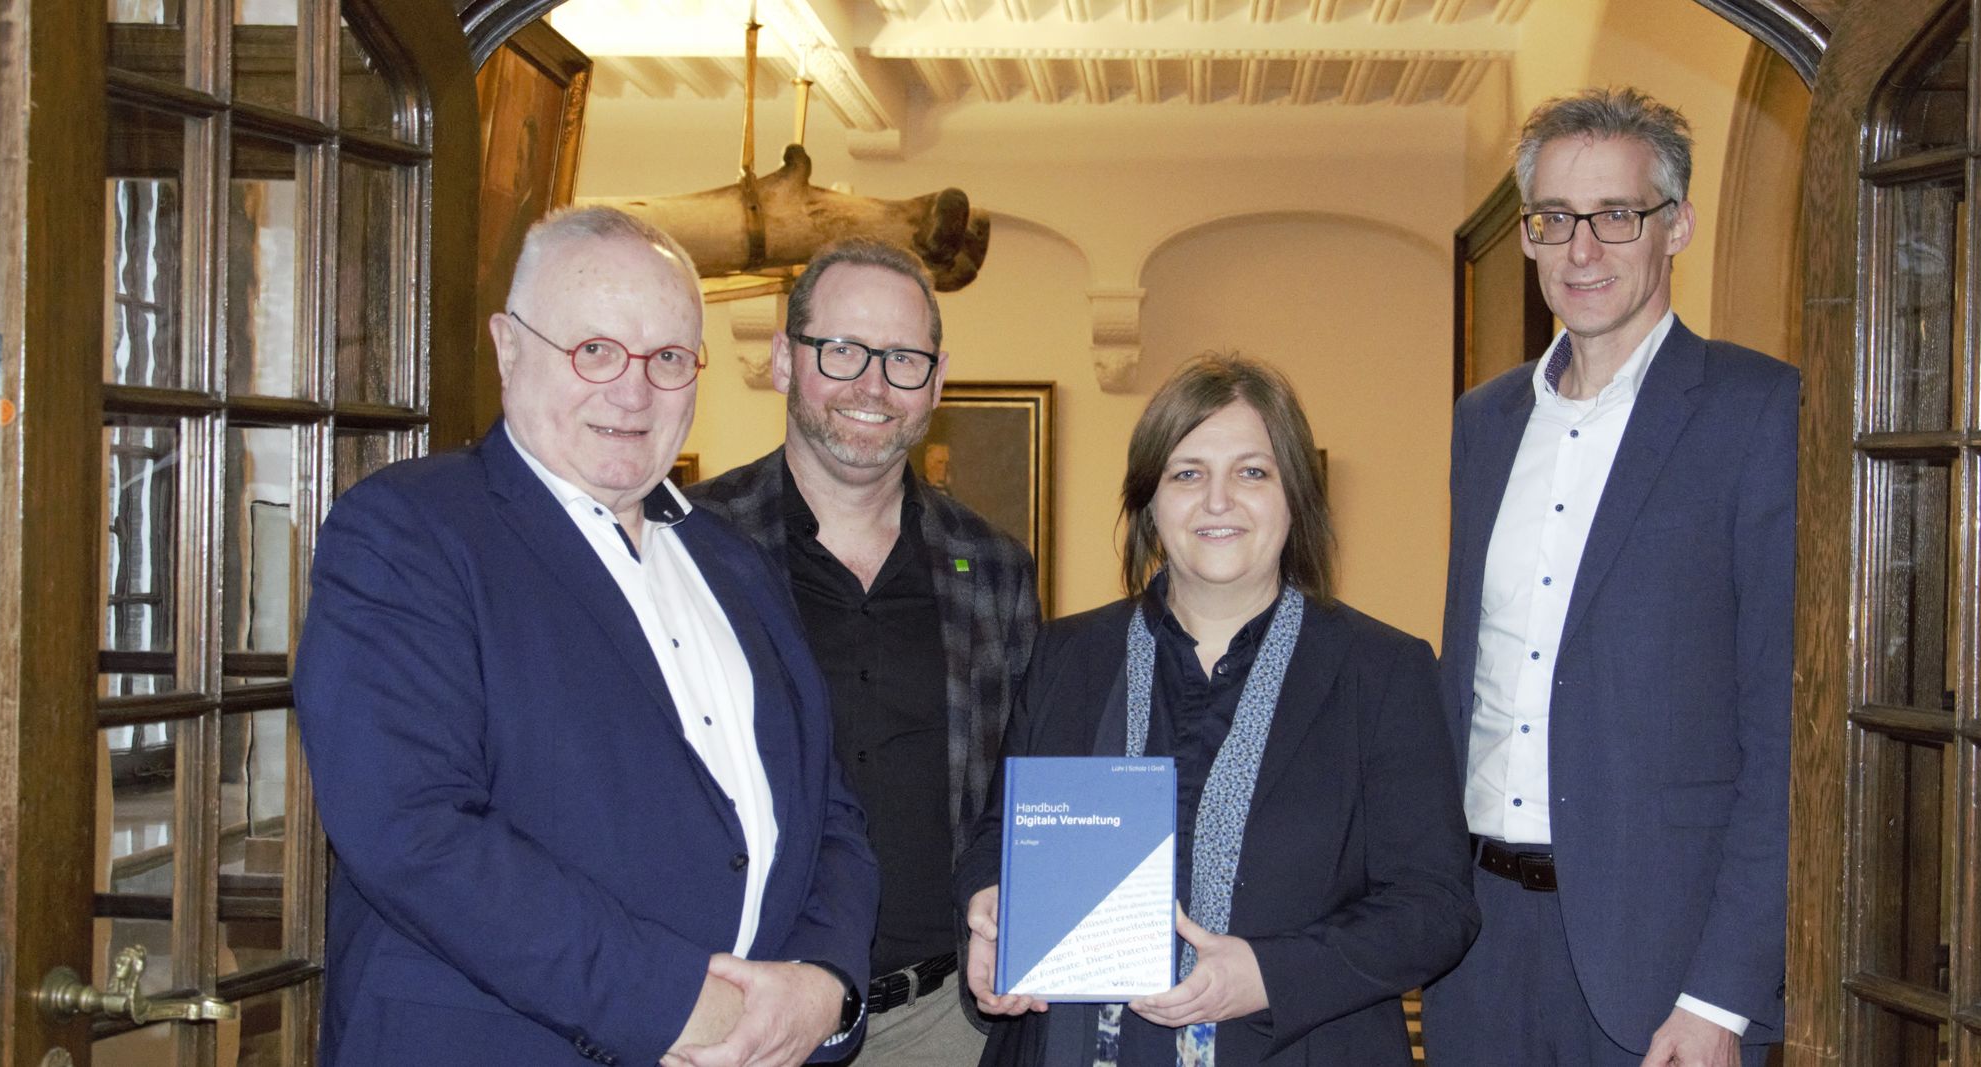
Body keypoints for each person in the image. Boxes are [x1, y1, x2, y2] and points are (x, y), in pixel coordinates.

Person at [294, 206, 879, 1067]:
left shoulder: (733, 559)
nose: (633, 391)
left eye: (669, 359)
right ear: (508, 346)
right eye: (594, 350)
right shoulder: (408, 532)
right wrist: (685, 1005)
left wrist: (824, 981)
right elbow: (414, 831)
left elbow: (828, 810)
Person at [955, 354, 1478, 1066]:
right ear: (1149, 502)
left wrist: (1268, 973)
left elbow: (1436, 906)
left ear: (1296, 494)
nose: (1218, 500)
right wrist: (990, 910)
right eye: (1188, 472)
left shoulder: (1382, 671)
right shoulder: (1068, 654)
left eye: (1252, 472)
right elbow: (999, 833)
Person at [1423, 86, 1796, 1067]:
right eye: (1553, 219)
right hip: (1478, 948)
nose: (1579, 250)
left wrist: (1723, 992)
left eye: (1613, 216)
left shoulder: (1757, 412)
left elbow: (1786, 734)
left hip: (1663, 968)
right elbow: (1471, 674)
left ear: (1675, 224)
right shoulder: (1484, 421)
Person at [688, 239, 1041, 1066]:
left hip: (945, 1024)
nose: (872, 385)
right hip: (743, 1011)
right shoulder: (688, 544)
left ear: (938, 379)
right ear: (783, 359)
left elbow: (1019, 792)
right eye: (841, 349)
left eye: (903, 358)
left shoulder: (994, 568)